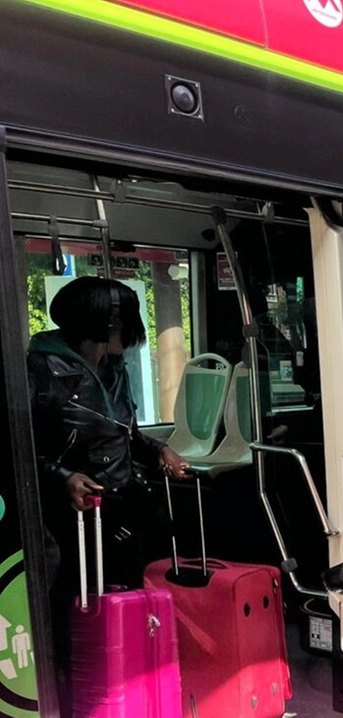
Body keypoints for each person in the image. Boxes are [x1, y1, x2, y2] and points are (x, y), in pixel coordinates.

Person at [27, 277, 190, 710]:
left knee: (127, 602)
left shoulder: (113, 369)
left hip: (119, 504)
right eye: (124, 328)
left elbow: (128, 433)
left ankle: (127, 684)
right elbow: (24, 447)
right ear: (99, 327)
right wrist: (64, 477)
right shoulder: (41, 369)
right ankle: (79, 695)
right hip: (73, 517)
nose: (130, 339)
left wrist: (159, 450)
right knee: (79, 613)